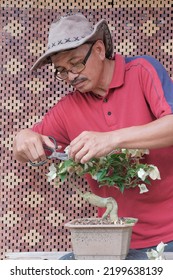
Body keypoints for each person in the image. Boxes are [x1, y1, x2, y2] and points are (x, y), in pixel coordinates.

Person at [13, 13, 173, 259]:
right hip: (112, 238)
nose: (71, 76)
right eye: (62, 71)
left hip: (169, 236)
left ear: (99, 49)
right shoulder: (68, 108)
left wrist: (112, 139)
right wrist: (23, 138)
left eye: (76, 63)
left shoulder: (142, 71)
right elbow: (25, 146)